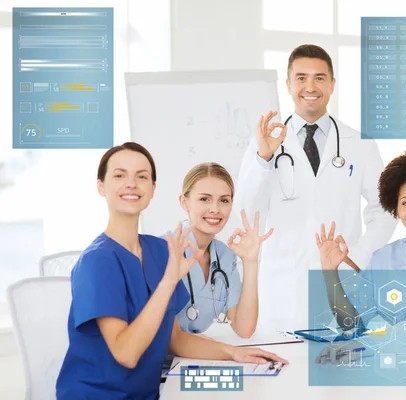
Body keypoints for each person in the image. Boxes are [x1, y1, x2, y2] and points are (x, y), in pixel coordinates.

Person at [56, 142, 287, 400]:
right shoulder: (97, 261)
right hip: (101, 395)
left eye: (141, 176)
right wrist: (168, 280)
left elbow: (175, 339)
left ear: (153, 189)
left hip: (151, 391)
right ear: (101, 186)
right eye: (120, 175)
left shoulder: (158, 251)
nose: (132, 183)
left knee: (257, 388)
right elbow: (127, 354)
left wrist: (234, 353)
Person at [235, 44, 397, 329]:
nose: (310, 86)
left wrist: (356, 259)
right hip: (281, 289)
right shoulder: (262, 144)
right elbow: (245, 211)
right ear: (288, 85)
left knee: (339, 367)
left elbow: (384, 210)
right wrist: (264, 158)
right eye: (301, 78)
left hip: (340, 281)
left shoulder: (359, 144)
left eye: (319, 78)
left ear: (332, 84)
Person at [316, 149, 406, 367]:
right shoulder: (383, 257)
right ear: (395, 208)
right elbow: (352, 323)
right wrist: (329, 271)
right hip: (385, 367)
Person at [170, 162, 271, 338]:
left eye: (224, 200)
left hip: (194, 359)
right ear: (184, 202)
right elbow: (168, 338)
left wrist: (250, 262)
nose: (215, 209)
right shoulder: (161, 248)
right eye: (204, 199)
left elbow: (244, 328)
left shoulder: (225, 256)